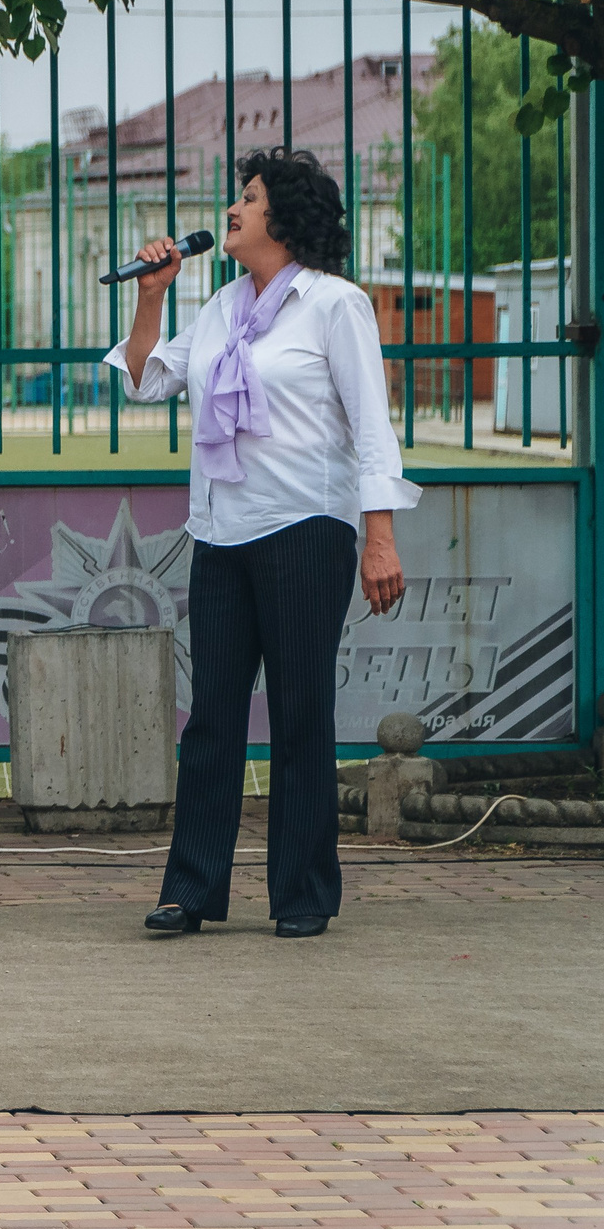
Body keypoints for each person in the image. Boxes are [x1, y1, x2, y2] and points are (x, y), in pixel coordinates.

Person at [107, 148, 416, 939]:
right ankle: (193, 887)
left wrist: (377, 535)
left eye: (248, 198)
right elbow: (146, 379)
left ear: (284, 218)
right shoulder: (218, 308)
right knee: (212, 712)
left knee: (300, 708)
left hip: (307, 528)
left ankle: (303, 891)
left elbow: (372, 427)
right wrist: (152, 297)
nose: (233, 209)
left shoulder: (335, 305)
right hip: (221, 533)